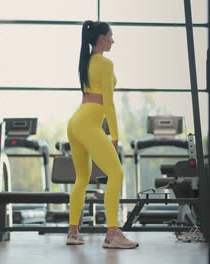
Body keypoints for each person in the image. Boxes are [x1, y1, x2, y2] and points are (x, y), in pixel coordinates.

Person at [65, 20, 139, 249]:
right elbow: (109, 103)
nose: (113, 40)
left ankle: (73, 232)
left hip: (76, 121)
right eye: (110, 36)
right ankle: (112, 234)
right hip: (88, 122)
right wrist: (115, 136)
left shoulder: (85, 61)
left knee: (81, 179)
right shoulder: (105, 64)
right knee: (116, 173)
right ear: (100, 39)